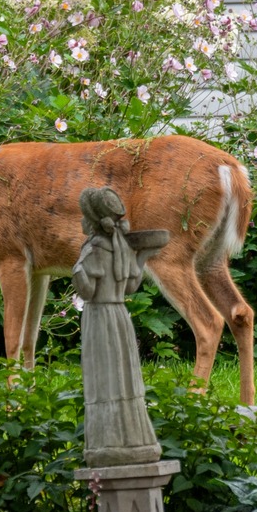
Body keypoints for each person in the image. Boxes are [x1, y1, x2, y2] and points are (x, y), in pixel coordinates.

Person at [73, 187, 169, 467]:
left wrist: (77, 272)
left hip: (100, 318)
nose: (80, 222)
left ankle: (108, 443)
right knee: (124, 378)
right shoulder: (121, 247)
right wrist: (140, 257)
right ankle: (134, 438)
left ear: (91, 222)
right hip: (119, 317)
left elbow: (88, 290)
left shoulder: (93, 250)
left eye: (83, 218)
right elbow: (129, 285)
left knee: (104, 380)